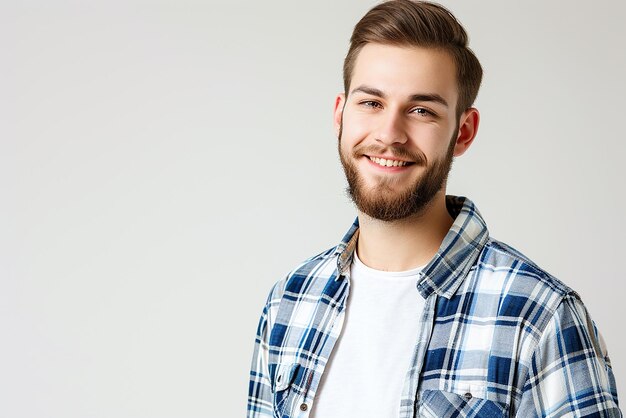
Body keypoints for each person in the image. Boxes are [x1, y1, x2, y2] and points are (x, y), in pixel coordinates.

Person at [247, 1, 622, 417]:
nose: (389, 134)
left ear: (463, 132)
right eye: (371, 103)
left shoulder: (539, 315)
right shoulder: (291, 300)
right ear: (340, 115)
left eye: (421, 110)